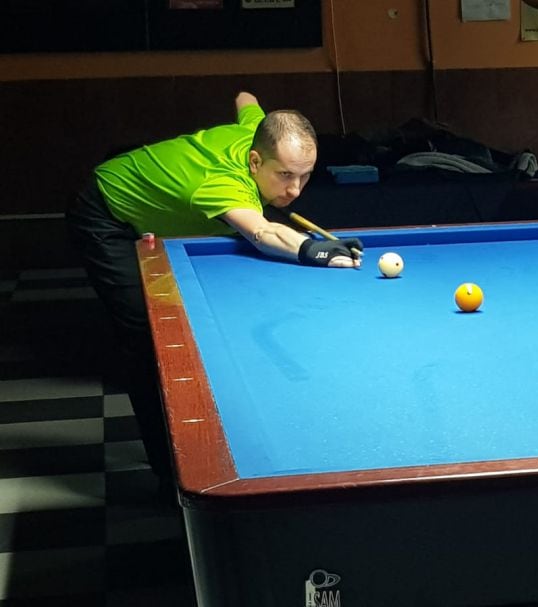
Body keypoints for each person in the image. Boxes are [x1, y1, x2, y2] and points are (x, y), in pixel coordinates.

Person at [67, 92, 362, 483]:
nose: (295, 190)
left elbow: (246, 99)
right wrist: (315, 250)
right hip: (106, 214)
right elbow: (260, 231)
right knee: (146, 336)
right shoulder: (223, 183)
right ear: (254, 160)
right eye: (285, 175)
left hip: (155, 199)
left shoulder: (255, 133)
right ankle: (173, 479)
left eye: (305, 175)